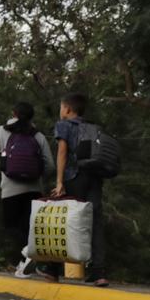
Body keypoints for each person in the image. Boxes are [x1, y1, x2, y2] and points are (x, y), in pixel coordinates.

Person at [45, 93, 109, 286]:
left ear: (67, 109)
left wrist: (59, 182)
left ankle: (52, 270)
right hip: (94, 179)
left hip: (74, 177)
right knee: (95, 223)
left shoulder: (63, 125)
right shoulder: (93, 127)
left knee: (62, 221)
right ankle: (99, 273)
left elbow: (62, 152)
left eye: (61, 107)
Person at [0, 101, 54, 277]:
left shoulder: (0, 131)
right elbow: (49, 165)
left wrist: (9, 169)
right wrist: (35, 174)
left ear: (13, 113)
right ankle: (24, 263)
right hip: (34, 189)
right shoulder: (38, 135)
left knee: (12, 227)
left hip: (10, 189)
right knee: (29, 227)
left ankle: (27, 253)